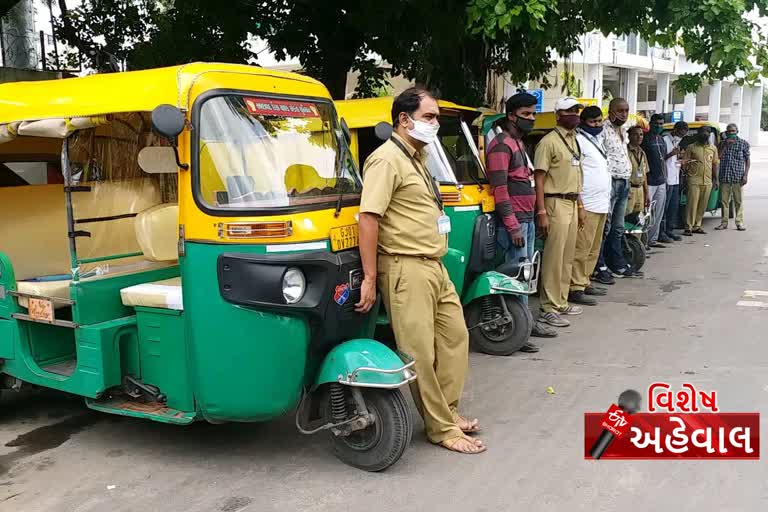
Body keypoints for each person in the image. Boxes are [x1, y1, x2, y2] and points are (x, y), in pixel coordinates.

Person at [356, 87, 486, 455]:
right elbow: (369, 218)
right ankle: (441, 428)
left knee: (456, 338)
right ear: (404, 119)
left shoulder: (419, 157)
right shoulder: (386, 160)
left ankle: (447, 410)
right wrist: (369, 278)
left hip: (434, 264)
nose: (434, 123)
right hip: (405, 267)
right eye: (429, 117)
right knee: (419, 353)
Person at [486, 92, 557, 343]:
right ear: (511, 116)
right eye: (526, 114)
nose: (532, 118)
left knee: (525, 274)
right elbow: (500, 189)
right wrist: (513, 226)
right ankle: (516, 328)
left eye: (533, 113)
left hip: (525, 219)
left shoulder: (518, 144)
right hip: (514, 223)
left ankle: (524, 322)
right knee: (516, 276)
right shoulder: (502, 145)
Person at [533, 97, 585, 328]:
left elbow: (577, 175)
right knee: (554, 257)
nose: (574, 114)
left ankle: (561, 300)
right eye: (569, 111)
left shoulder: (575, 141)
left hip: (572, 202)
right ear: (558, 115)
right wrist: (542, 210)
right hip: (555, 202)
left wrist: (581, 206)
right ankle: (549, 306)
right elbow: (539, 177)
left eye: (576, 110)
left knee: (567, 256)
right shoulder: (549, 142)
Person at [594, 98, 640, 284]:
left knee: (618, 227)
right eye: (620, 110)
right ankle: (599, 265)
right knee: (605, 226)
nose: (624, 113)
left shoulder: (623, 130)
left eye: (626, 110)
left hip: (624, 181)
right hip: (610, 182)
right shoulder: (602, 129)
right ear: (610, 111)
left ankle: (616, 262)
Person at [569, 106, 611, 306]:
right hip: (587, 202)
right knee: (582, 247)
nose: (597, 125)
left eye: (599, 121)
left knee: (594, 247)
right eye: (593, 122)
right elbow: (575, 174)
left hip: (602, 202)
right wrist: (580, 204)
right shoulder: (578, 141)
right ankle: (575, 287)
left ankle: (585, 281)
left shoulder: (597, 140)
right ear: (583, 122)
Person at [681, 126, 719, 236]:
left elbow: (715, 164)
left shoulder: (713, 148)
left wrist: (716, 179)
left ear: (709, 134)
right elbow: (685, 163)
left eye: (707, 132)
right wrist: (685, 177)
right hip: (694, 179)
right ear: (698, 134)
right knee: (692, 204)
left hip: (707, 181)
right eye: (702, 132)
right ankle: (688, 227)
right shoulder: (691, 147)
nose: (705, 134)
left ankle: (697, 226)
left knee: (703, 205)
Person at [642, 114, 671, 247]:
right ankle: (642, 241)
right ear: (650, 123)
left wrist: (666, 178)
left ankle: (653, 239)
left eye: (661, 124)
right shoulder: (645, 139)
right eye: (656, 123)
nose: (659, 126)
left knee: (658, 212)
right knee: (646, 213)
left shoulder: (661, 139)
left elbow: (663, 159)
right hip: (649, 181)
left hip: (661, 181)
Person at [715, 123, 750, 231]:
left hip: (738, 177)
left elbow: (747, 160)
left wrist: (745, 175)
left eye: (733, 131)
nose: (731, 133)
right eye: (729, 131)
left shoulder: (743, 143)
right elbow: (718, 157)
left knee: (738, 201)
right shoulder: (721, 144)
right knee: (724, 201)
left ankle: (739, 222)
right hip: (725, 176)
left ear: (737, 132)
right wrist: (726, 146)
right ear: (726, 132)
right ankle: (724, 223)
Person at [661, 121, 688, 240]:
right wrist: (672, 153)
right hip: (667, 179)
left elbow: (674, 161)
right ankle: (661, 232)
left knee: (673, 207)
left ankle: (669, 230)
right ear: (676, 130)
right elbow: (660, 158)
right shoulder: (665, 140)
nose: (682, 136)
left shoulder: (678, 142)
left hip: (676, 178)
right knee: (664, 208)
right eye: (681, 133)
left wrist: (681, 161)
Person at [626, 126, 650, 218]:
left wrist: (647, 193)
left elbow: (644, 175)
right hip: (629, 189)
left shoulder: (642, 153)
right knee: (627, 218)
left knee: (639, 220)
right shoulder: (626, 151)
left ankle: (636, 233)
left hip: (640, 190)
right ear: (629, 136)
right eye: (635, 134)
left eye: (641, 134)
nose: (639, 137)